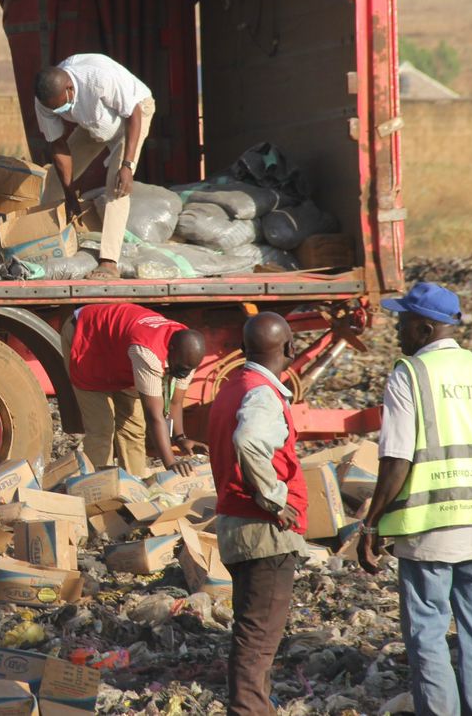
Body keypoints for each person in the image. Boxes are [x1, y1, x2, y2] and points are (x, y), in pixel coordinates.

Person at [358, 282, 472, 716]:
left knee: (427, 634)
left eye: (402, 323)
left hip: (430, 532)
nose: (397, 332)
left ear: (424, 329)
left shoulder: (410, 374)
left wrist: (372, 523)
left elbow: (396, 460)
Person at [207, 312, 308, 715]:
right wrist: (276, 498)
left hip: (235, 525)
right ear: (288, 349)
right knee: (259, 637)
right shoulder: (262, 394)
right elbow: (248, 440)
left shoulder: (233, 387)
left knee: (251, 629)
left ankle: (255, 705)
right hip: (263, 529)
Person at [34, 54, 156, 281]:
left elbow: (134, 113)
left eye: (61, 107)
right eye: (54, 110)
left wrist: (127, 165)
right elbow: (58, 145)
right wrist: (69, 194)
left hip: (133, 116)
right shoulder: (44, 102)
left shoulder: (98, 78)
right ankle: (43, 244)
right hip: (95, 123)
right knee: (53, 181)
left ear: (70, 89)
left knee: (116, 187)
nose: (58, 112)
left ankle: (109, 262)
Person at [59, 303, 206, 477]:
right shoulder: (147, 352)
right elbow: (154, 415)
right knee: (102, 428)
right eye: (180, 368)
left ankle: (136, 488)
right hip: (88, 340)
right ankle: (98, 489)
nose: (182, 373)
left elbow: (175, 400)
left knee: (134, 428)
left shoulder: (188, 354)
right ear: (170, 350)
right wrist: (171, 462)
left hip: (120, 349)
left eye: (187, 370)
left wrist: (180, 438)